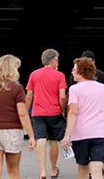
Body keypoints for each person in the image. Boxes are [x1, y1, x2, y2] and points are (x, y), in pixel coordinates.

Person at [0, 54, 36, 179]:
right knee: (13, 170)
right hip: (12, 131)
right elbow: (22, 113)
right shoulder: (17, 88)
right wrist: (31, 135)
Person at [61, 57, 104, 179]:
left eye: (74, 69)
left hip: (81, 135)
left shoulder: (74, 89)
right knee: (97, 170)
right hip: (99, 134)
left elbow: (73, 112)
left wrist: (67, 135)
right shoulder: (102, 88)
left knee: (83, 168)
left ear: (81, 71)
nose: (72, 72)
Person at [26, 48, 67, 179]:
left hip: (37, 112)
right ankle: (53, 169)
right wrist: (62, 109)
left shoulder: (34, 74)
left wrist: (26, 111)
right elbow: (62, 96)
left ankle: (42, 170)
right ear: (53, 60)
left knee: (41, 139)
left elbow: (29, 95)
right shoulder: (60, 75)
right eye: (57, 59)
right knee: (53, 140)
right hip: (54, 112)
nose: (58, 62)